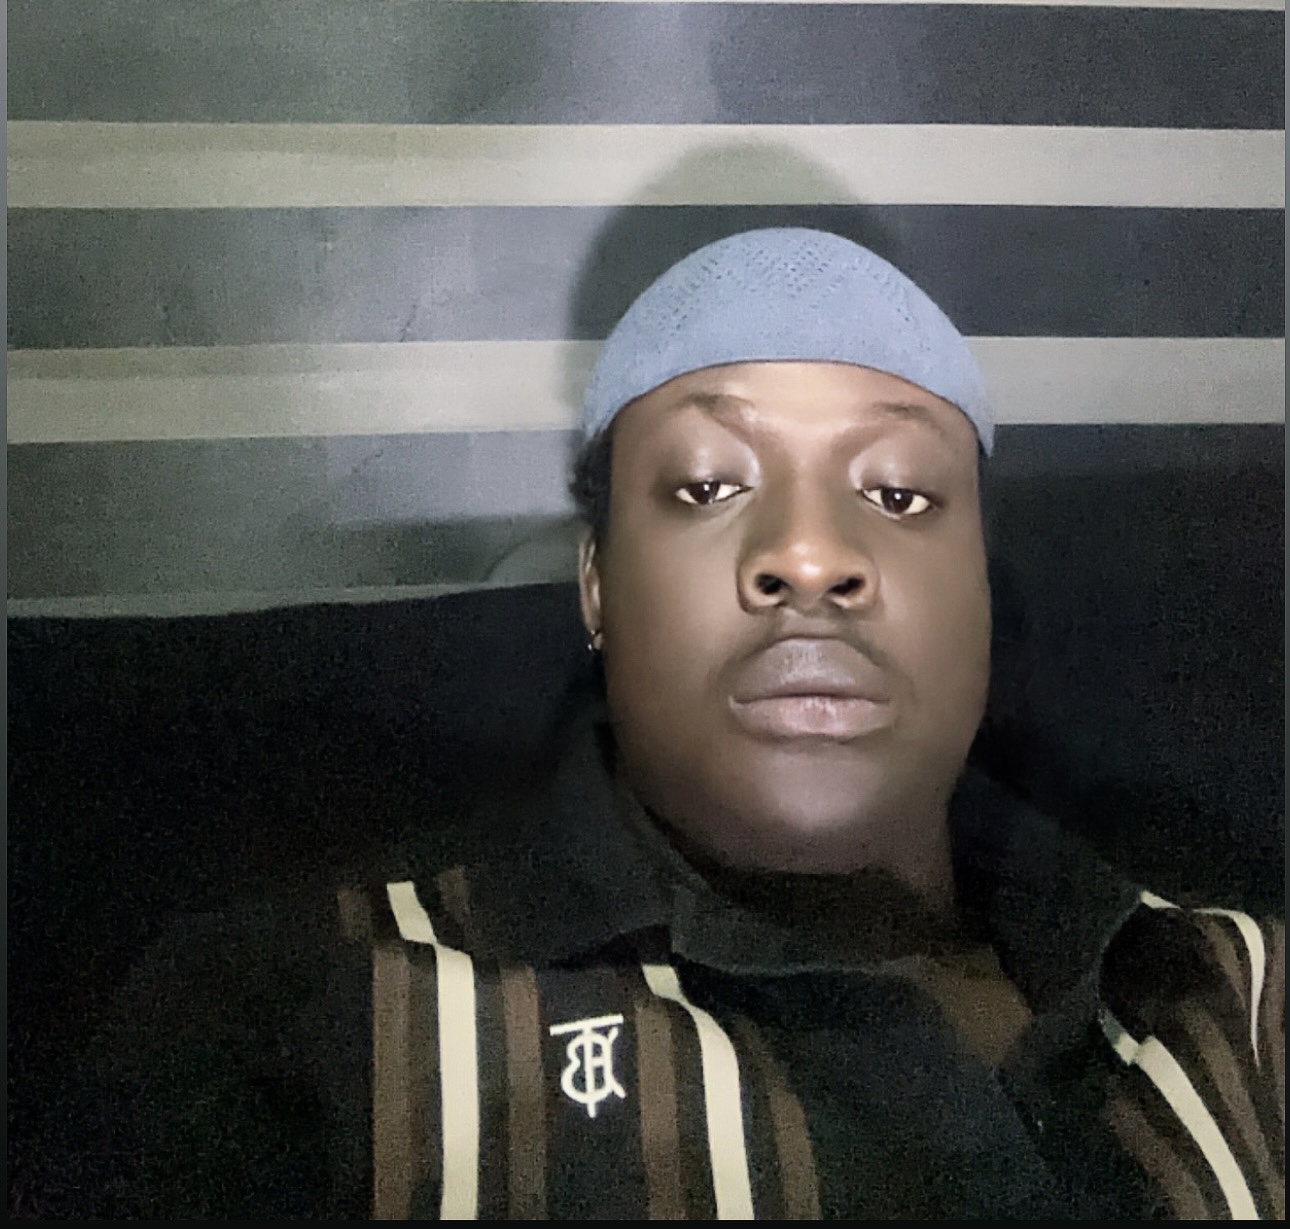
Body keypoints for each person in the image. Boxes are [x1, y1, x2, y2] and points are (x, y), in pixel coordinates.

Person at [30, 229, 1282, 1220]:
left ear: (983, 598)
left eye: (899, 492)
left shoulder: (1238, 982)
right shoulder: (306, 1011)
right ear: (595, 587)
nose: (808, 554)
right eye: (706, 484)